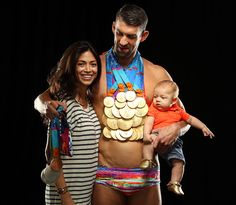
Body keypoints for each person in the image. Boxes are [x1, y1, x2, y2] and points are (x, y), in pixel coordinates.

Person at [34, 4, 191, 205]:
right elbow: (43, 97)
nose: (123, 41)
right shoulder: (94, 67)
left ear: (143, 36)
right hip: (105, 175)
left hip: (146, 175)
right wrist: (43, 106)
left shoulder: (157, 74)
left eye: (131, 36)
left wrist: (176, 129)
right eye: (119, 33)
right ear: (113, 28)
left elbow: (183, 118)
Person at [36, 40, 102, 205]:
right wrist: (65, 196)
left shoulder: (90, 101)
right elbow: (53, 155)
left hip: (84, 196)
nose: (88, 69)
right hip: (65, 198)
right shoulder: (62, 104)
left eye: (93, 64)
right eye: (81, 64)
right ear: (72, 67)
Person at [139, 80, 215, 196]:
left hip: (174, 142)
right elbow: (149, 122)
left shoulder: (178, 111)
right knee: (148, 142)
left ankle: (174, 183)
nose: (157, 100)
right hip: (156, 134)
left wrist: (203, 127)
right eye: (155, 97)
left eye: (163, 98)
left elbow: (190, 120)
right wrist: (146, 134)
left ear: (173, 101)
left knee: (179, 162)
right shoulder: (154, 109)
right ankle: (147, 160)